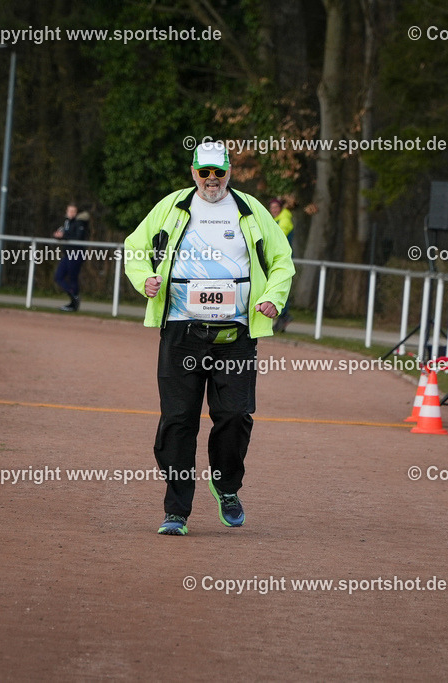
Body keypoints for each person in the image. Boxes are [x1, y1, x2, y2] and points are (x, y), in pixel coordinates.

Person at [124, 141, 294, 536]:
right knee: (178, 421)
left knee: (234, 416)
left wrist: (272, 297)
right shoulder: (172, 207)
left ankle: (227, 487)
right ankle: (176, 510)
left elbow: (283, 260)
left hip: (235, 333)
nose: (213, 180)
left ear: (230, 171)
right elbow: (135, 247)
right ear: (193, 171)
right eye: (205, 172)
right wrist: (143, 279)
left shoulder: (250, 210)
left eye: (219, 172)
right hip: (182, 329)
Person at [53, 204, 90, 311]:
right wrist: (58, 235)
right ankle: (74, 297)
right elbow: (63, 233)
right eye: (69, 211)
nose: (71, 213)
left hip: (76, 253)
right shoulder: (67, 222)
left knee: (72, 278)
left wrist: (63, 236)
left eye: (74, 211)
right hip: (68, 253)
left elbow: (78, 237)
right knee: (58, 276)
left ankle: (74, 303)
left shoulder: (80, 222)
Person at [269, 198, 294, 332]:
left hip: (283, 259)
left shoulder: (284, 219)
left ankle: (284, 315)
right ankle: (282, 318)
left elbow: (278, 237)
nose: (274, 210)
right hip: (278, 258)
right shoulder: (276, 220)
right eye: (272, 207)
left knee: (281, 287)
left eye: (276, 207)